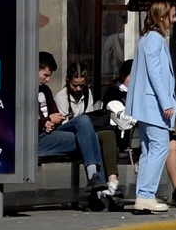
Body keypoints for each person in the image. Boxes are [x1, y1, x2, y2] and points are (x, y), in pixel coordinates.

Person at [107, 57, 176, 208]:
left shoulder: (139, 92)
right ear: (124, 76)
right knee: (171, 147)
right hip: (130, 135)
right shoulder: (115, 93)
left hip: (152, 129)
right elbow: (124, 119)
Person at [36, 51, 117, 210]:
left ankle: (96, 182)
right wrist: (45, 121)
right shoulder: (23, 90)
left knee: (86, 125)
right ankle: (99, 195)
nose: (48, 79)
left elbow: (53, 113)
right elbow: (23, 120)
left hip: (52, 132)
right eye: (45, 74)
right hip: (37, 138)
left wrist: (52, 121)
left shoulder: (46, 91)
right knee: (91, 138)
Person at [127, 1, 176, 214]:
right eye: (172, 15)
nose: (174, 19)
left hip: (147, 105)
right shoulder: (155, 40)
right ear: (162, 16)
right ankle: (146, 195)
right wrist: (166, 101)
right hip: (153, 105)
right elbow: (155, 74)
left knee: (149, 150)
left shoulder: (149, 39)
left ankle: (144, 196)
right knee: (159, 147)